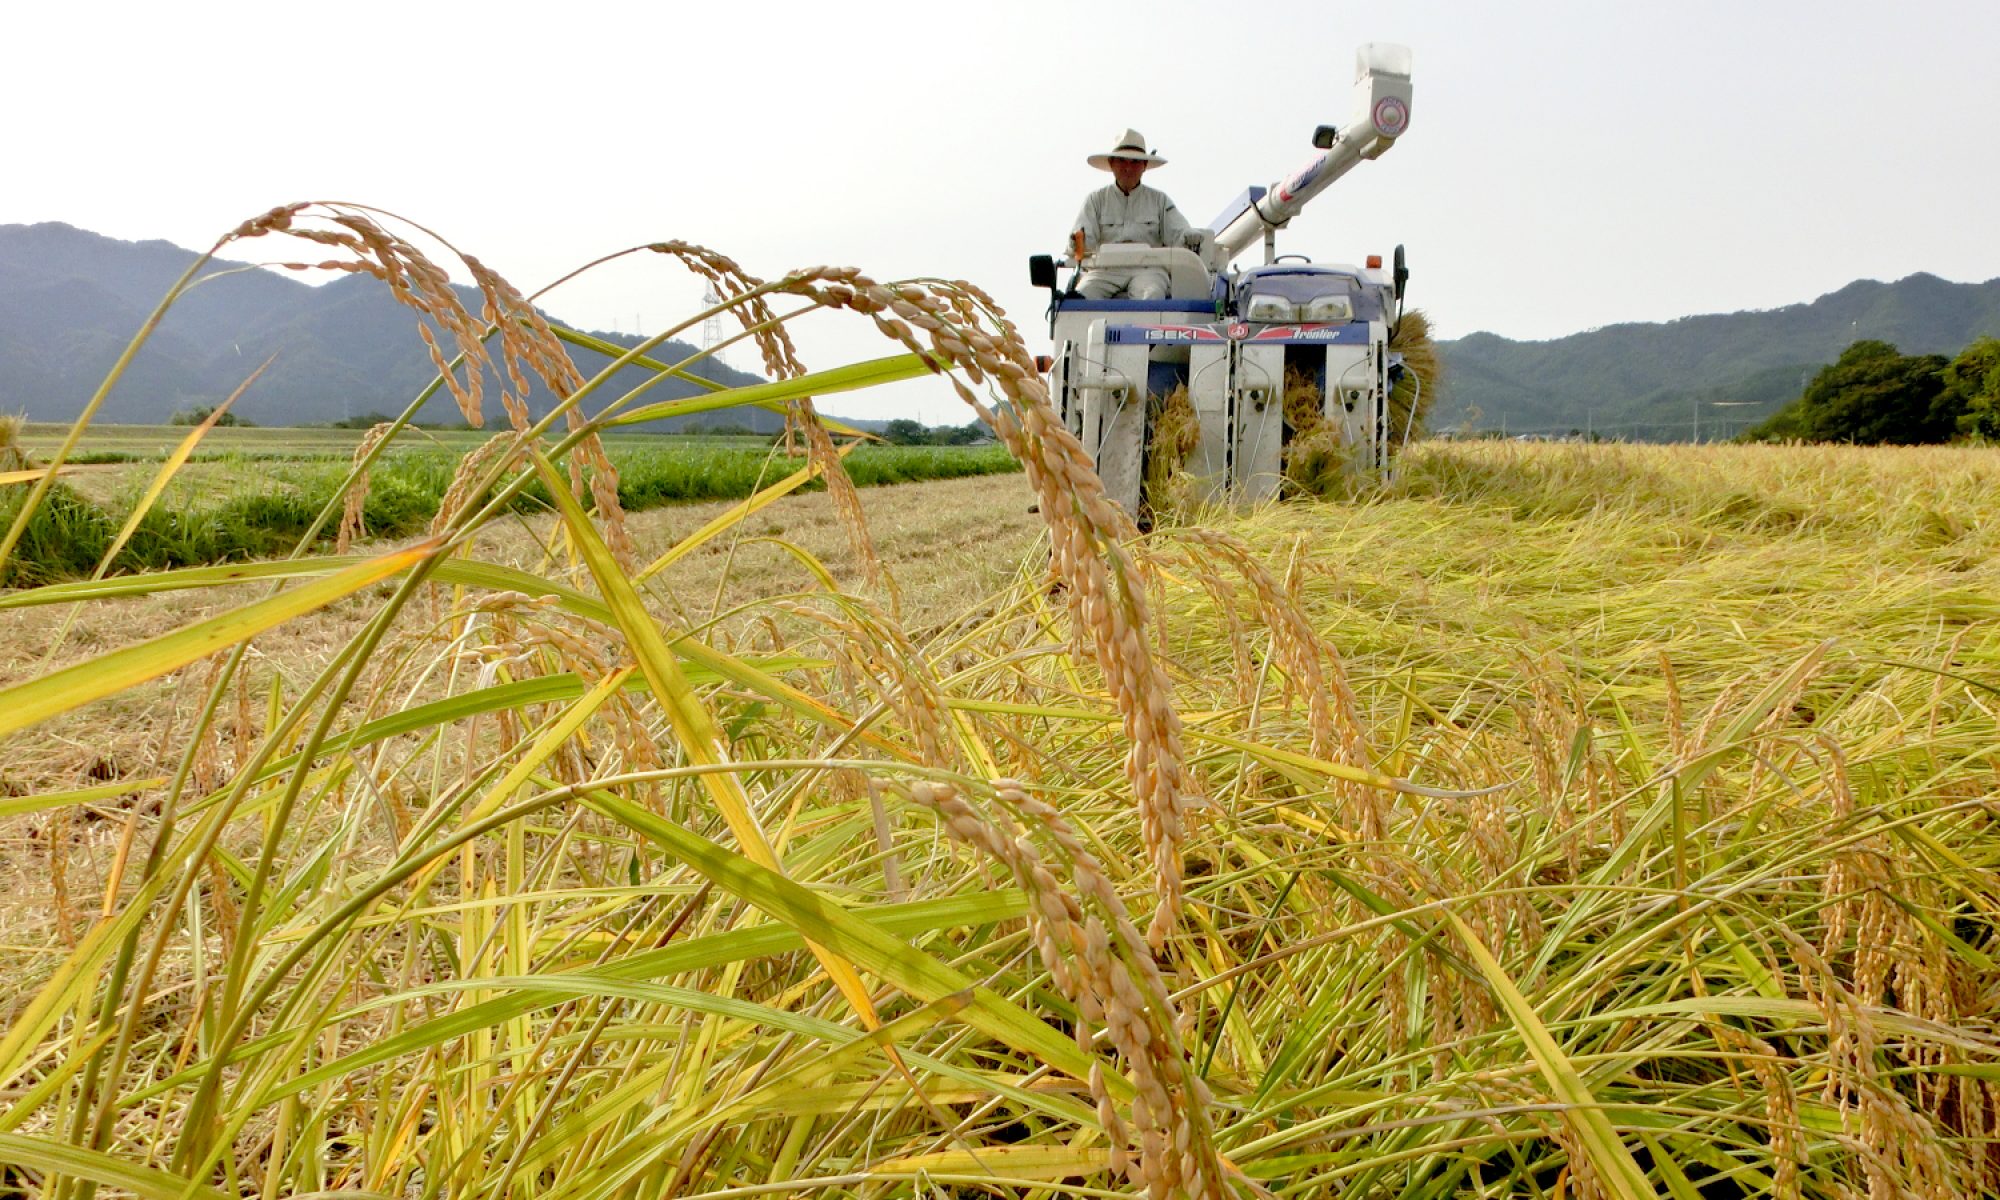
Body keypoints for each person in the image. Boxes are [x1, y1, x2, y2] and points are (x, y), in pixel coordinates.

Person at [1068, 129, 1199, 301]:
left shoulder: (1159, 200)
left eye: (1135, 162)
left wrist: (1192, 237)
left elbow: (1180, 234)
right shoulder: (1096, 200)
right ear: (1111, 164)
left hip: (1148, 269)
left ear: (1144, 166)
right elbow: (1081, 242)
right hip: (1105, 270)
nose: (1128, 168)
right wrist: (1077, 241)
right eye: (1122, 161)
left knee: (1152, 296)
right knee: (1081, 296)